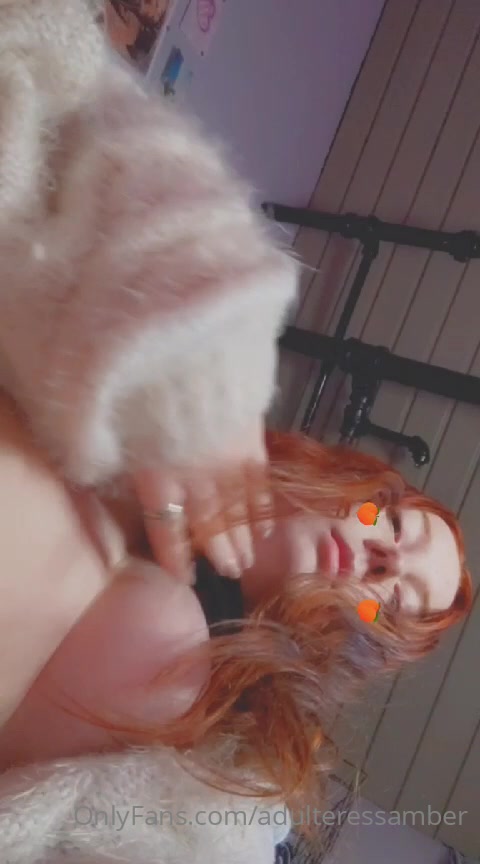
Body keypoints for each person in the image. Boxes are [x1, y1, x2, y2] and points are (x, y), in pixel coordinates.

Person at [0, 2, 472, 862]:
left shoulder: (193, 706)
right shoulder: (191, 397)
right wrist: (193, 350)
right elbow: (50, 81)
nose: (381, 560)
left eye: (392, 602)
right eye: (394, 526)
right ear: (354, 490)